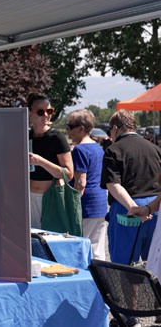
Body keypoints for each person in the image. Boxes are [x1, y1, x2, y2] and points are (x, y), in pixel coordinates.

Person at [101, 109, 161, 265]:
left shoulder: (113, 150)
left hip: (127, 209)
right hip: (155, 207)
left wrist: (134, 208)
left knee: (125, 268)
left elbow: (113, 184)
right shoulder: (155, 149)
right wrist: (147, 209)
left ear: (115, 128)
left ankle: (128, 291)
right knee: (154, 264)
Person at [66, 109, 107, 259]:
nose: (68, 131)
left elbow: (80, 183)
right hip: (100, 203)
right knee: (98, 251)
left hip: (86, 205)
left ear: (81, 129)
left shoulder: (79, 150)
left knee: (82, 249)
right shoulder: (98, 147)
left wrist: (73, 205)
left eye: (70, 126)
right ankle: (101, 281)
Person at [28, 93, 73, 228]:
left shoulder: (57, 137)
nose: (46, 115)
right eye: (41, 112)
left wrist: (41, 162)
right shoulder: (26, 135)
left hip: (50, 199)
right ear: (30, 114)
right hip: (27, 197)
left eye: (49, 111)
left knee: (48, 242)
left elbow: (69, 174)